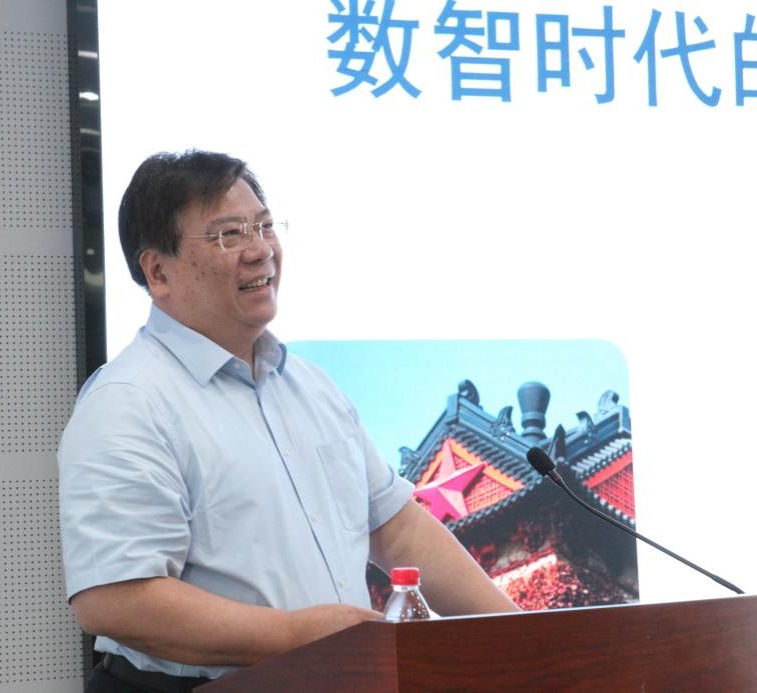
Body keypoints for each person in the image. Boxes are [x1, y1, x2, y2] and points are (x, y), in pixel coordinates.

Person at [59, 150, 518, 691]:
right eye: (229, 235)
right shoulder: (128, 401)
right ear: (158, 271)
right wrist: (297, 635)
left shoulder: (311, 387)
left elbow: (398, 529)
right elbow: (115, 600)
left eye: (264, 226)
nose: (260, 250)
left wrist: (527, 638)